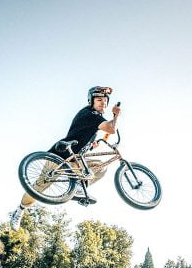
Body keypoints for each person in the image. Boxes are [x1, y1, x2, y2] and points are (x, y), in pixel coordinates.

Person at [10, 86, 121, 231]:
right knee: (38, 188)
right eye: (99, 100)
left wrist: (92, 146)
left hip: (75, 159)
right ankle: (19, 211)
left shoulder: (95, 120)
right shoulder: (89, 114)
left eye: (105, 101)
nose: (103, 103)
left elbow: (95, 133)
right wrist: (116, 115)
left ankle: (79, 187)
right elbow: (111, 128)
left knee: (101, 167)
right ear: (91, 101)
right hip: (60, 155)